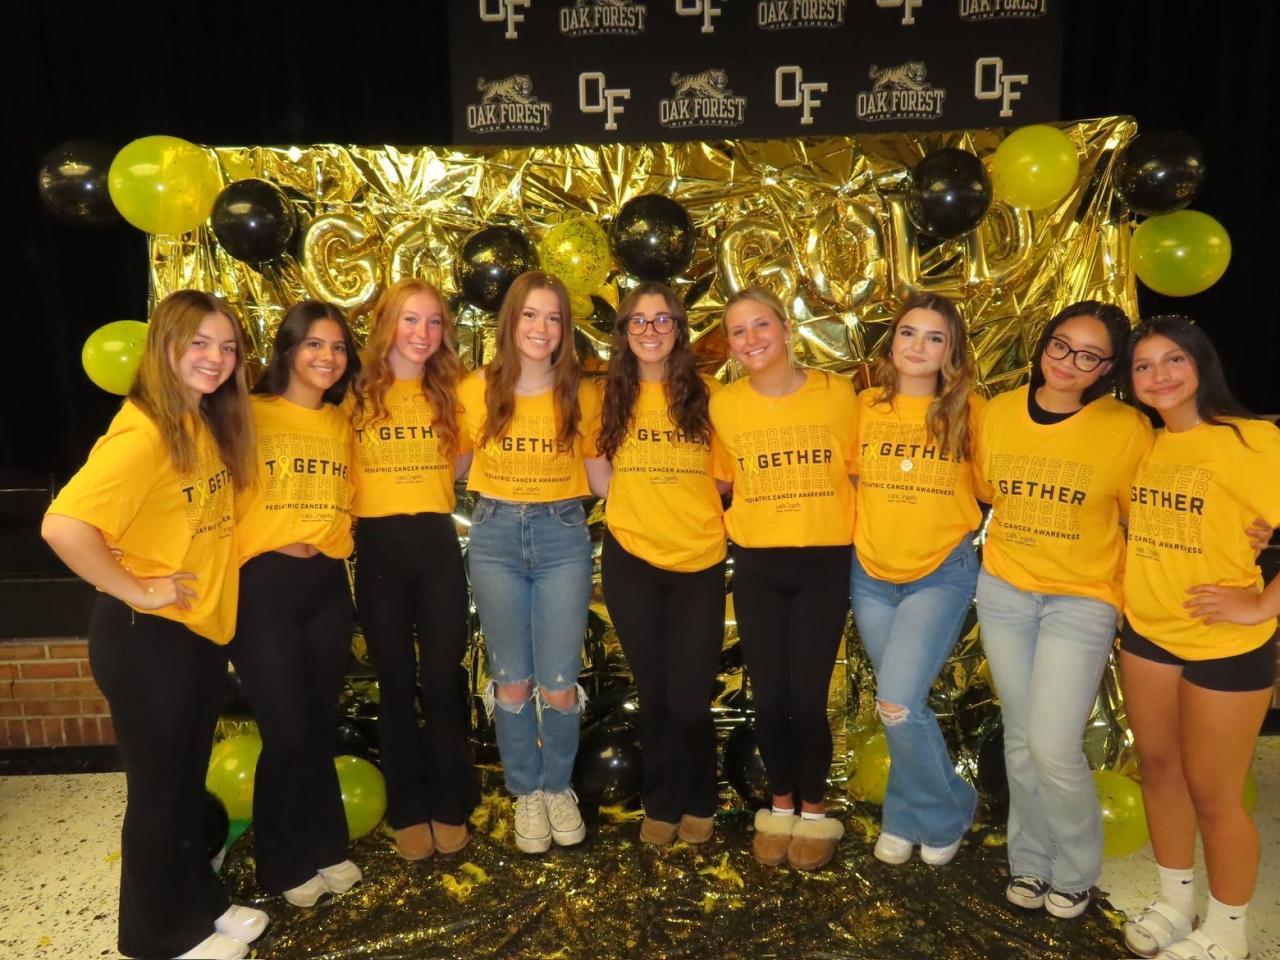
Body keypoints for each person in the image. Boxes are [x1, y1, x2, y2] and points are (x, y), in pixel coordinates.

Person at [42, 290, 266, 960]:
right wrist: (139, 589)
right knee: (158, 796)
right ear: (165, 347)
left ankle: (200, 904)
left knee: (183, 786)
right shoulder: (142, 433)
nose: (216, 358)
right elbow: (63, 526)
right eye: (199, 342)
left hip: (192, 635)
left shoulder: (197, 420)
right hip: (146, 640)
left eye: (227, 347)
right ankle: (159, 937)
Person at [973, 300, 1152, 919]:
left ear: (1108, 368)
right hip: (1005, 592)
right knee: (1021, 738)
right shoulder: (998, 413)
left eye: (1089, 356)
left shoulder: (1126, 429)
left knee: (1052, 744)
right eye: (1061, 345)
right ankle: (1029, 860)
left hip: (1082, 598)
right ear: (1043, 343)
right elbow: (988, 491)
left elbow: (1144, 518)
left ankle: (1075, 870)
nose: (1069, 362)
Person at [1117, 317, 1280, 960]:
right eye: (1143, 365)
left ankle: (1229, 932)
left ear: (1201, 364)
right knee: (1160, 771)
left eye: (1173, 360)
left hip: (1224, 645)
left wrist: (1260, 603)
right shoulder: (1147, 445)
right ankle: (1173, 902)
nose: (1159, 375)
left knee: (1216, 795)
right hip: (1148, 634)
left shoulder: (1251, 440)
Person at [709, 286, 857, 872]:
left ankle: (814, 812)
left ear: (786, 328)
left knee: (807, 699)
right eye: (738, 331)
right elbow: (721, 481)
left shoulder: (839, 394)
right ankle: (779, 807)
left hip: (823, 563)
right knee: (769, 697)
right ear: (729, 344)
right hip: (759, 565)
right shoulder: (725, 406)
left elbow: (859, 474)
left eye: (761, 325)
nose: (751, 339)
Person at [458, 271, 599, 855]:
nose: (541, 328)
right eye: (530, 315)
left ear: (565, 329)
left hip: (561, 536)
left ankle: (558, 787)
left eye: (553, 317)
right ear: (510, 321)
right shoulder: (475, 389)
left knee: (559, 684)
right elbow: (453, 464)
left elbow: (604, 479)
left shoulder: (582, 394)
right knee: (512, 681)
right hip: (494, 536)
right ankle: (525, 791)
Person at [230, 300, 362, 907]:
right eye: (314, 344)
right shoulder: (246, 413)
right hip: (264, 586)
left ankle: (327, 844)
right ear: (287, 350)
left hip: (326, 583)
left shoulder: (341, 422)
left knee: (316, 724)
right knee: (284, 731)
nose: (327, 357)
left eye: (337, 347)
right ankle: (281, 863)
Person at [585, 281, 726, 846]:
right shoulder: (605, 397)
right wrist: (637, 505)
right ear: (623, 333)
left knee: (690, 697)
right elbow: (598, 470)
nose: (650, 330)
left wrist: (681, 505)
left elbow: (725, 478)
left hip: (698, 560)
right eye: (638, 321)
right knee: (655, 692)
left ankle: (702, 797)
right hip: (632, 561)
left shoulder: (711, 396)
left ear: (679, 330)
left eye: (662, 319)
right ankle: (663, 802)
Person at [850, 293, 983, 868]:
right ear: (892, 341)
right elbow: (849, 482)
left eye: (935, 337)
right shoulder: (863, 407)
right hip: (872, 574)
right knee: (899, 704)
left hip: (940, 572)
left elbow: (998, 486)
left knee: (898, 702)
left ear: (951, 351)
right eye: (908, 332)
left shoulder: (973, 412)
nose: (918, 346)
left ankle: (947, 812)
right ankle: (906, 817)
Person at [349, 278, 476, 862]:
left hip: (435, 545)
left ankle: (450, 803)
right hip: (379, 549)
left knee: (443, 681)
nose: (423, 333)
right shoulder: (352, 394)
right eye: (410, 319)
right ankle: (407, 808)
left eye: (433, 321)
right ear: (387, 324)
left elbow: (462, 465)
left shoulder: (452, 393)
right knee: (396, 684)